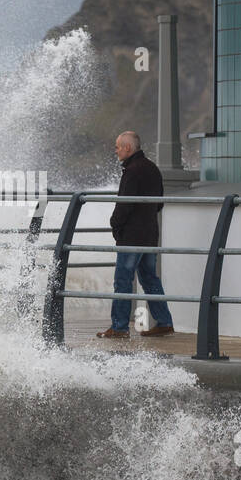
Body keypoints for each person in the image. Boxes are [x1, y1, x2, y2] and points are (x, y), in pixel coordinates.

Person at [97, 131, 175, 339]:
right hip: (150, 234)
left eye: (117, 147)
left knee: (123, 280)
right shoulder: (152, 169)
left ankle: (120, 327)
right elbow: (159, 204)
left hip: (132, 236)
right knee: (150, 279)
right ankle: (164, 322)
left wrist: (115, 225)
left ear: (128, 148)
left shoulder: (132, 171)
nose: (115, 151)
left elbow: (125, 205)